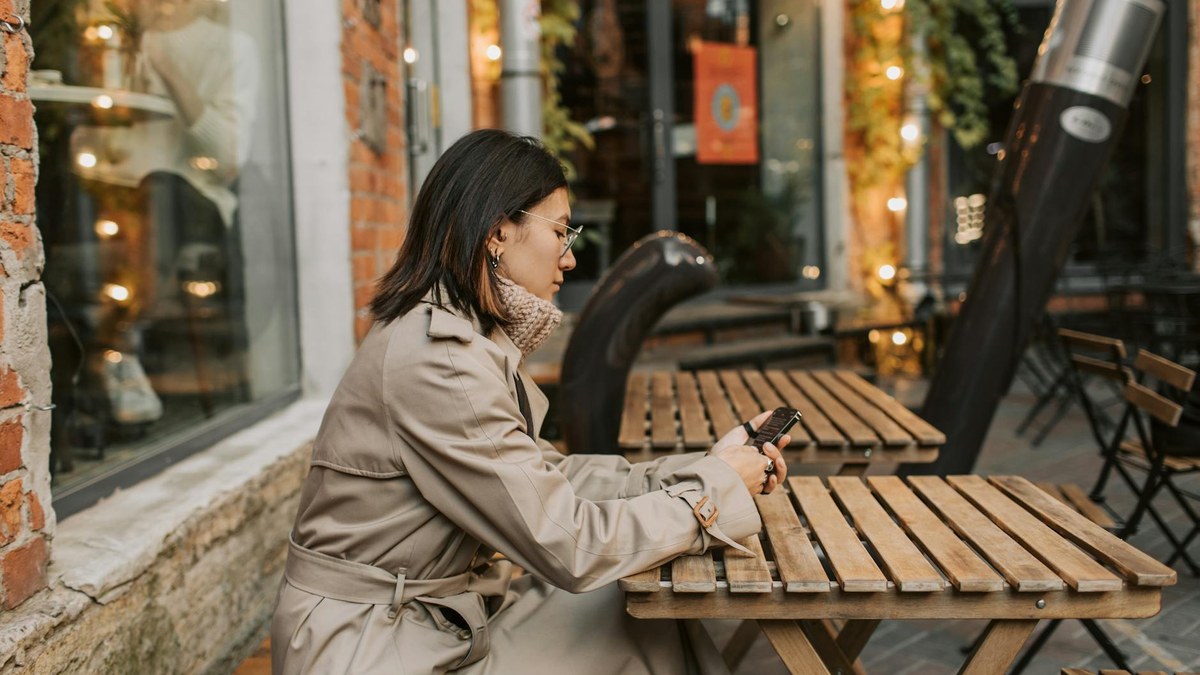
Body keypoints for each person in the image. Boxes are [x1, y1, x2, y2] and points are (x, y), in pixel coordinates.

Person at [270, 129, 790, 675]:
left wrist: (706, 468)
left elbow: (547, 478)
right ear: (498, 232)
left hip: (421, 624)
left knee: (642, 605)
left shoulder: (456, 336)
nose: (568, 259)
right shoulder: (441, 363)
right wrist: (711, 495)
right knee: (633, 604)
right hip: (372, 650)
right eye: (561, 232)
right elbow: (570, 545)